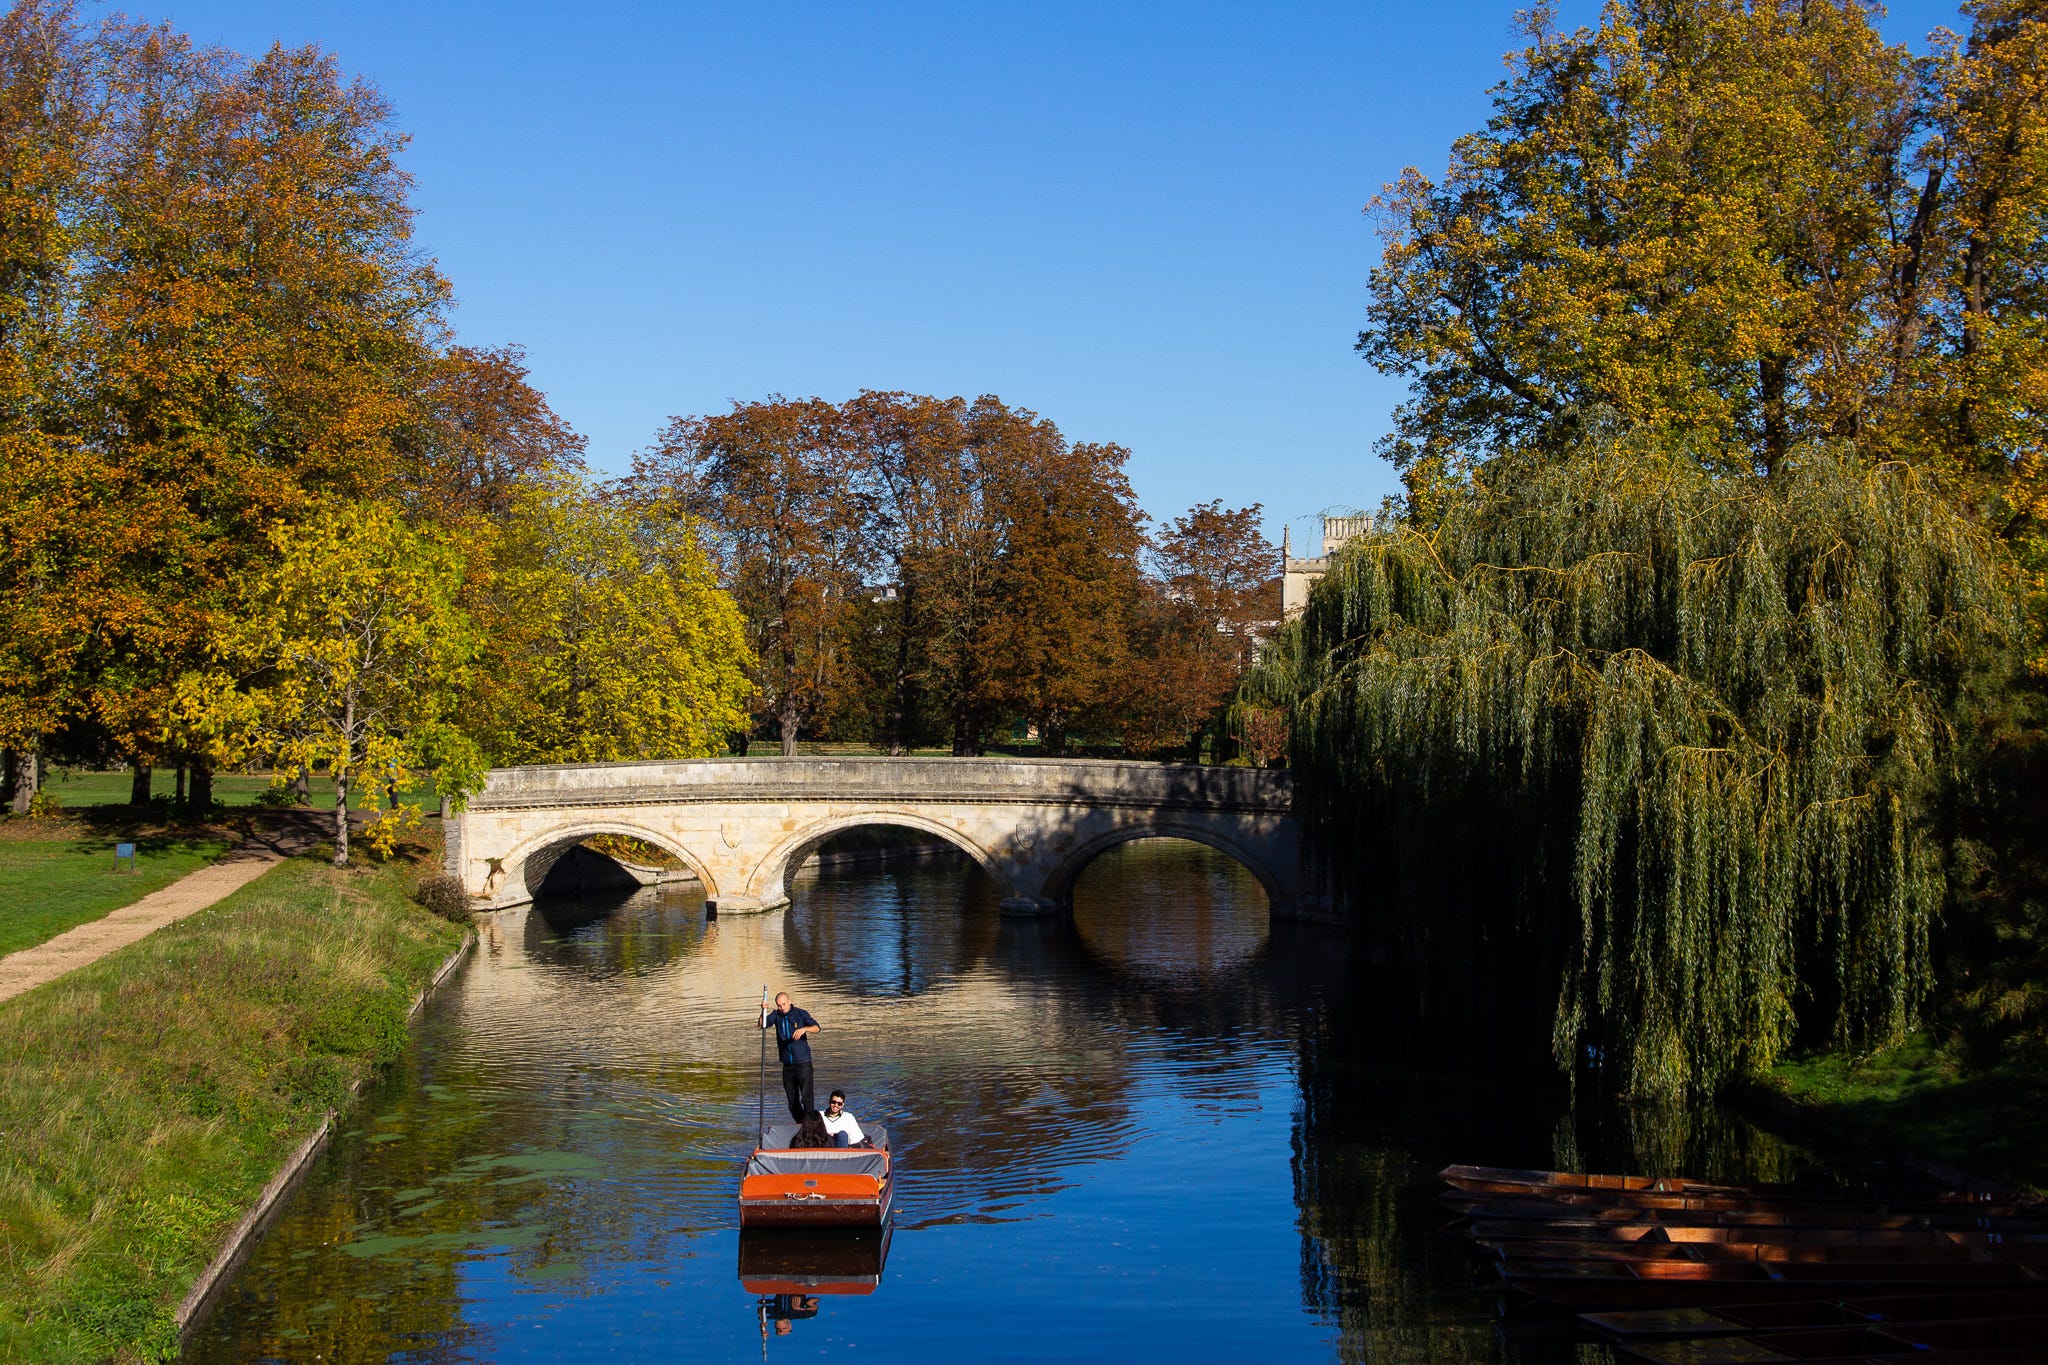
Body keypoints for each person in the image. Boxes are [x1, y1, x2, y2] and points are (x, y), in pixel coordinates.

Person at [761, 991, 820, 1123]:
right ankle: (801, 1124)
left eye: (784, 1004)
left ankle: (809, 1126)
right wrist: (763, 1011)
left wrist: (805, 1029)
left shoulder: (800, 1014)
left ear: (789, 1001)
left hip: (803, 1063)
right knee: (792, 1102)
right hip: (787, 1065)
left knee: (807, 1099)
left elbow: (817, 1028)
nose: (782, 1007)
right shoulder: (776, 1015)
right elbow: (762, 1024)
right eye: (779, 1005)